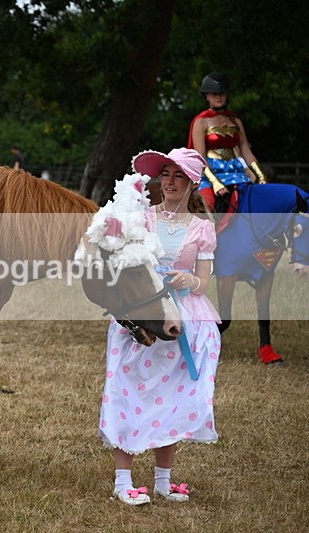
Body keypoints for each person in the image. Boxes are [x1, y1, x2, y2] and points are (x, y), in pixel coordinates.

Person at [99, 147, 221, 505]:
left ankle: (163, 482)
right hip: (143, 310)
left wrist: (188, 280)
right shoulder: (142, 219)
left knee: (170, 399)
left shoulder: (201, 228)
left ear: (191, 183)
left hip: (184, 316)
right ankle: (123, 481)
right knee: (129, 389)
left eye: (177, 175)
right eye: (165, 174)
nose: (168, 181)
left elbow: (204, 282)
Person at [188, 72, 267, 222]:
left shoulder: (235, 120)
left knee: (252, 202)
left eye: (222, 93)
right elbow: (200, 157)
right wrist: (215, 182)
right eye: (214, 93)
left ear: (227, 94)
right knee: (207, 204)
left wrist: (260, 175)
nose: (218, 97)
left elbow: (245, 150)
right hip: (209, 173)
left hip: (237, 172)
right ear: (207, 96)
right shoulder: (200, 121)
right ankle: (202, 241)